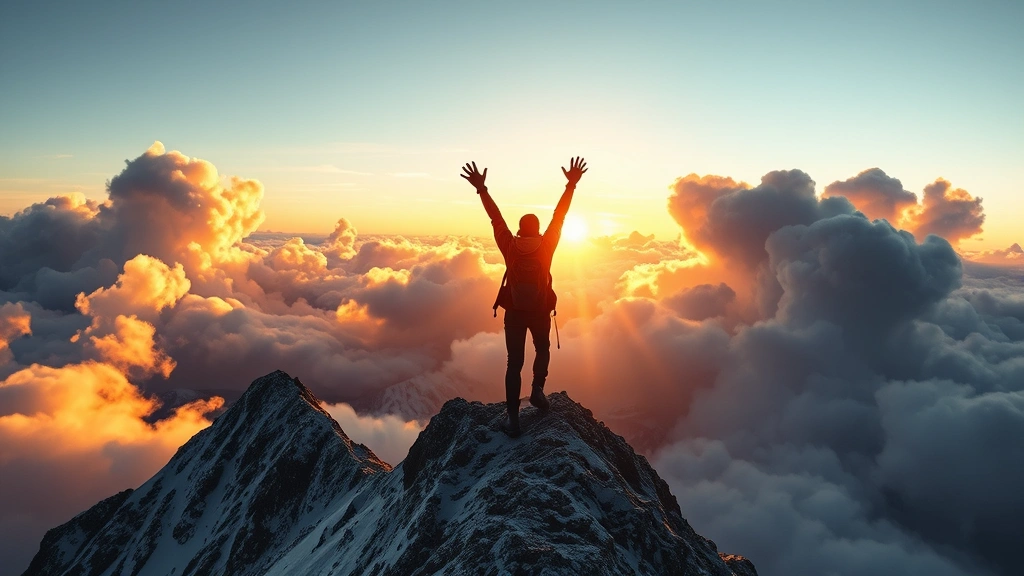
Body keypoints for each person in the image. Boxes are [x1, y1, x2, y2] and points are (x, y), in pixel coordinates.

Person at [461, 157, 587, 437]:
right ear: (538, 229)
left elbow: (495, 218)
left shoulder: (509, 245)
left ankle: (513, 419)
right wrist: (571, 185)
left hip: (515, 312)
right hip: (541, 310)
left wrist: (482, 189)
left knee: (513, 363)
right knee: (542, 348)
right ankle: (538, 390)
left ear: (519, 230)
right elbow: (560, 215)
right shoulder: (547, 245)